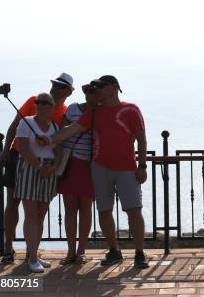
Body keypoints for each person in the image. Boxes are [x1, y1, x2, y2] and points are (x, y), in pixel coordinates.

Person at [42, 75, 149, 269]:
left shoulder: (130, 109)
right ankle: (114, 251)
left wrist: (142, 166)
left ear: (114, 88)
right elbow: (72, 129)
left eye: (101, 86)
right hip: (100, 168)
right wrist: (49, 140)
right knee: (104, 211)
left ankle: (140, 253)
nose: (97, 90)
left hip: (126, 167)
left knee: (134, 210)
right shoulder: (93, 113)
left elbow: (141, 139)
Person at [0, 73, 74, 263]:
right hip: (19, 157)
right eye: (55, 84)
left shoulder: (64, 112)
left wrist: (53, 166)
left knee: (39, 209)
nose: (56, 88)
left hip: (45, 164)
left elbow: (61, 141)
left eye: (61, 86)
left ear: (69, 92)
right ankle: (8, 245)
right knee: (13, 202)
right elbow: (15, 125)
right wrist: (6, 150)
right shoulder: (35, 100)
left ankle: (31, 251)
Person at [14, 92, 60, 273]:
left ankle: (34, 253)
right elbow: (23, 148)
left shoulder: (55, 126)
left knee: (40, 215)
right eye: (38, 102)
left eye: (44, 102)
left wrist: (53, 167)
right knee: (31, 214)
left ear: (51, 107)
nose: (40, 105)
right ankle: (31, 257)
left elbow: (59, 151)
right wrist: (39, 166)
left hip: (48, 171)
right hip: (31, 168)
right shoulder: (26, 123)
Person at [56, 83, 99, 265]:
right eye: (88, 91)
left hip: (89, 165)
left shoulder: (100, 112)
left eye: (94, 92)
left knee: (86, 208)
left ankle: (81, 250)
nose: (90, 95)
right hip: (70, 163)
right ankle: (71, 251)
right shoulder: (73, 109)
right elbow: (61, 132)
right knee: (70, 208)